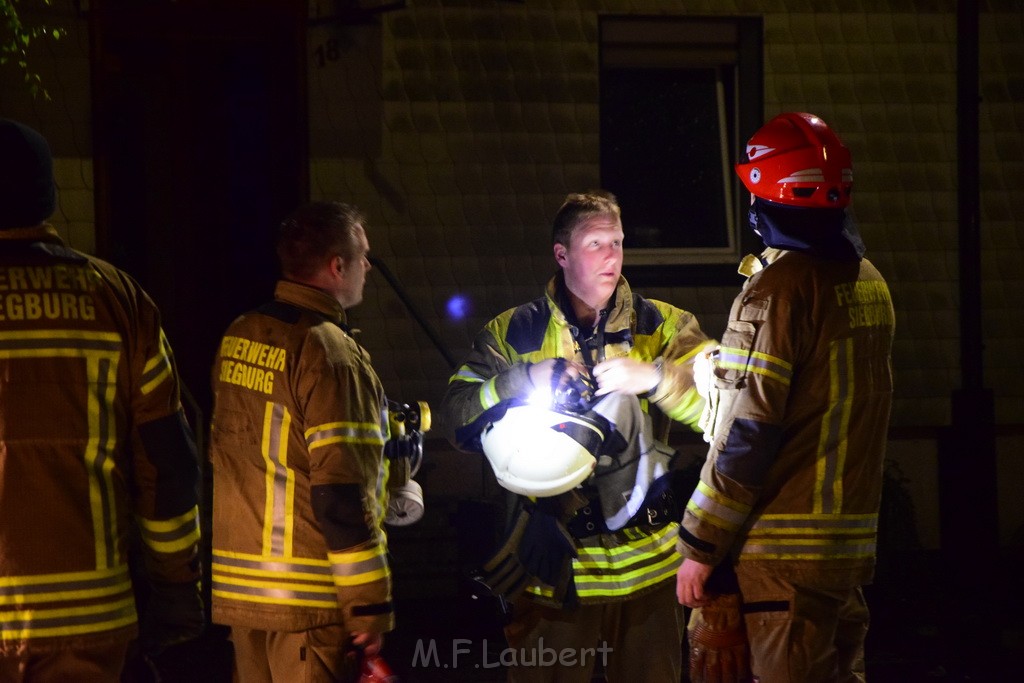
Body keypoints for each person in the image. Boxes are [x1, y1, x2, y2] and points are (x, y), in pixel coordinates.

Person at [442, 190, 713, 682]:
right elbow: (458, 419)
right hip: (554, 573)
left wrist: (653, 378)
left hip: (650, 574)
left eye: (618, 242)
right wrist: (522, 380)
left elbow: (725, 406)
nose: (611, 256)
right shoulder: (514, 334)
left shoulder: (666, 326)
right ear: (561, 254)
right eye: (595, 243)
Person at [676, 112, 895, 682]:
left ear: (770, 196)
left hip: (781, 559)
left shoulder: (776, 291)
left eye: (753, 192)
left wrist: (700, 543)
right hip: (842, 554)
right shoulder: (868, 281)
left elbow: (748, 435)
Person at [0, 118, 203, 679]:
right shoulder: (119, 299)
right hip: (91, 620)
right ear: (48, 196)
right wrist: (175, 585)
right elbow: (166, 463)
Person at [209, 200, 395, 682]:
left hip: (243, 596)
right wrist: (368, 608)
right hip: (308, 603)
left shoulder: (240, 334)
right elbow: (340, 494)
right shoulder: (330, 354)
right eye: (363, 257)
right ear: (338, 266)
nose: (368, 268)